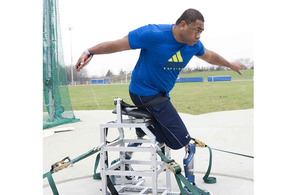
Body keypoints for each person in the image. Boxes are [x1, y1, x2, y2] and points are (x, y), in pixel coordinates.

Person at [75, 8, 244, 150]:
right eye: (196, 30)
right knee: (180, 141)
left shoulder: (193, 46)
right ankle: (146, 130)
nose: (199, 36)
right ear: (183, 25)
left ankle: (142, 133)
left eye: (201, 32)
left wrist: (230, 64)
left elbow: (210, 56)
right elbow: (119, 44)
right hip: (143, 92)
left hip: (161, 95)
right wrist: (90, 51)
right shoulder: (153, 33)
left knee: (164, 138)